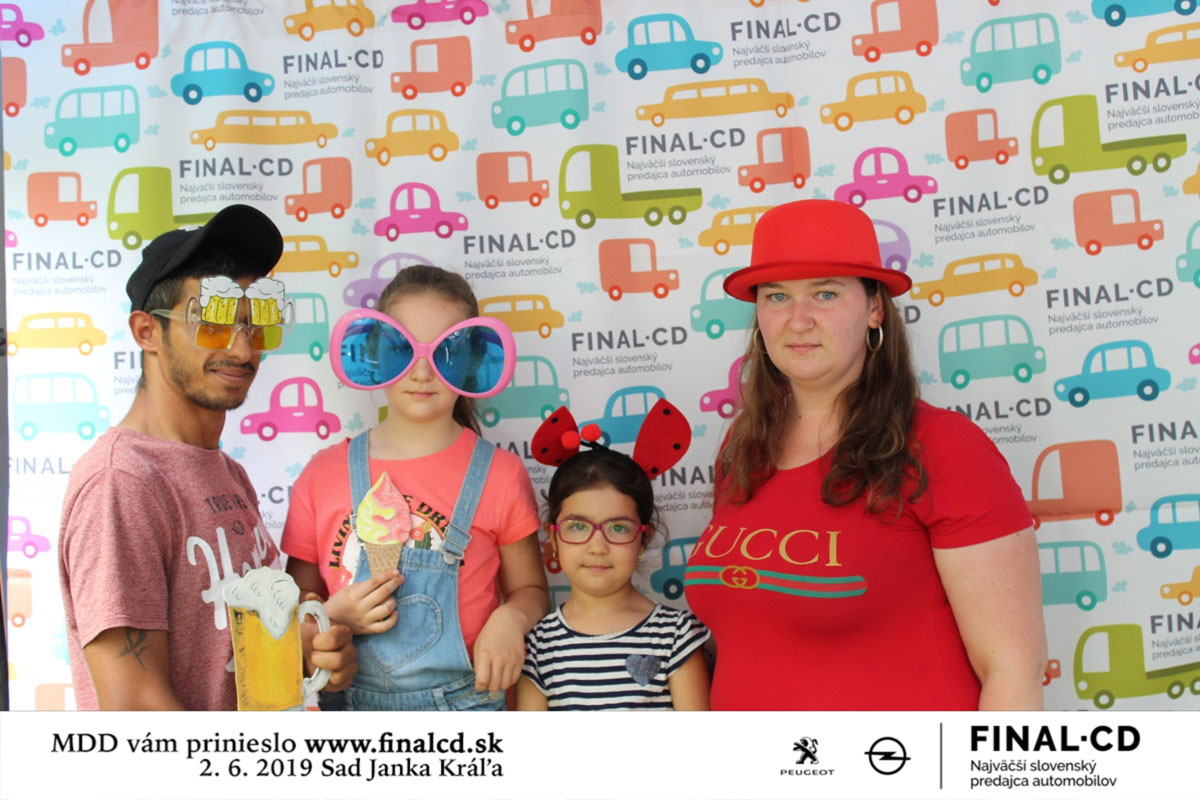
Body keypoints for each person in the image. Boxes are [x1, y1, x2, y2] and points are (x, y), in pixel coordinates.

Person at [685, 199, 1047, 711]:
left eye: (825, 294)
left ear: (875, 308)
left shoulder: (945, 447)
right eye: (777, 296)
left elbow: (1012, 670)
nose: (798, 320)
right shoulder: (743, 445)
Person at [57, 205, 357, 710]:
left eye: (255, 326)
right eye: (212, 325)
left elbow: (233, 649)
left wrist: (308, 651)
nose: (242, 351)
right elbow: (135, 705)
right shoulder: (121, 481)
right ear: (147, 332)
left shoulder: (229, 473)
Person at [282, 264, 549, 710]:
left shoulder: (500, 474)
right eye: (401, 348)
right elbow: (294, 612)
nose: (422, 370)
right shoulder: (321, 475)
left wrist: (512, 617)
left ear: (472, 361)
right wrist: (330, 618)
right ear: (375, 353)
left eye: (446, 351)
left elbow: (532, 591)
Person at [517, 405, 711, 710]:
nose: (598, 546)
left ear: (644, 538)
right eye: (578, 526)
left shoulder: (676, 635)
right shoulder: (538, 646)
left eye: (618, 528)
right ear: (552, 538)